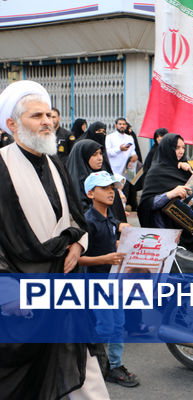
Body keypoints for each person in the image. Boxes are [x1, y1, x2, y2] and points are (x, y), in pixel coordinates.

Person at [0, 80, 109, 399]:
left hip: (63, 286)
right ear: (12, 124)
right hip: (20, 294)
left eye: (48, 114)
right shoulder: (2, 166)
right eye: (36, 116)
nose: (47, 121)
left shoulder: (55, 163)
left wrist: (77, 244)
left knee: (83, 373)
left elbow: (76, 216)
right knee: (27, 379)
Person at [77, 171, 139, 386]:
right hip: (95, 283)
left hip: (114, 281)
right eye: (104, 188)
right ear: (90, 193)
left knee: (118, 323)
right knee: (105, 327)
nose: (111, 191)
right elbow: (78, 259)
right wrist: (106, 257)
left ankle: (114, 365)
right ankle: (88, 363)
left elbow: (110, 243)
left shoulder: (111, 218)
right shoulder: (87, 221)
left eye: (112, 187)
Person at [138, 133, 193, 253]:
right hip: (170, 233)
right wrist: (170, 194)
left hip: (192, 231)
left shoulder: (183, 168)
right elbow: (147, 203)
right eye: (177, 148)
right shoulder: (156, 172)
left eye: (183, 147)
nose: (181, 151)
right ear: (167, 149)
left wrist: (190, 171)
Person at [67, 138, 128, 222]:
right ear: (83, 156)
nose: (100, 158)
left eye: (100, 154)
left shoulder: (103, 175)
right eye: (94, 154)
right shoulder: (76, 182)